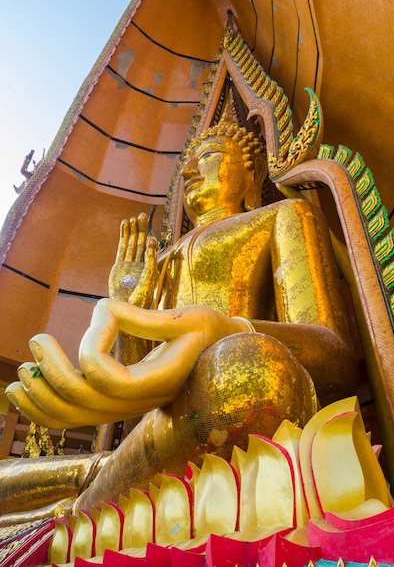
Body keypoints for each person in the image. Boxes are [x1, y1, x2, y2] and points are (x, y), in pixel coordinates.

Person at [3, 116, 358, 516]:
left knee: (248, 374)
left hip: (236, 389)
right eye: (187, 163)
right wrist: (130, 304)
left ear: (250, 175)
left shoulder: (280, 216)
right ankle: (92, 498)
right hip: (168, 432)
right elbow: (142, 397)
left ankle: (81, 508)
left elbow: (338, 355)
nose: (189, 171)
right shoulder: (160, 263)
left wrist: (226, 329)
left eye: (207, 156)